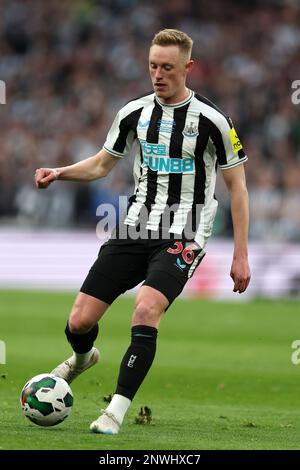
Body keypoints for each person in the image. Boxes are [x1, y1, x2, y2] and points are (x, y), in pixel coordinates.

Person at [35, 29, 251, 435]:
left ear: (188, 68)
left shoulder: (213, 121)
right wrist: (60, 173)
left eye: (167, 68)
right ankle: (82, 360)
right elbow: (102, 164)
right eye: (153, 66)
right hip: (134, 226)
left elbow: (238, 187)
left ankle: (114, 411)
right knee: (79, 322)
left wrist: (241, 253)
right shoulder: (133, 112)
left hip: (184, 233)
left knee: (146, 310)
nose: (158, 75)